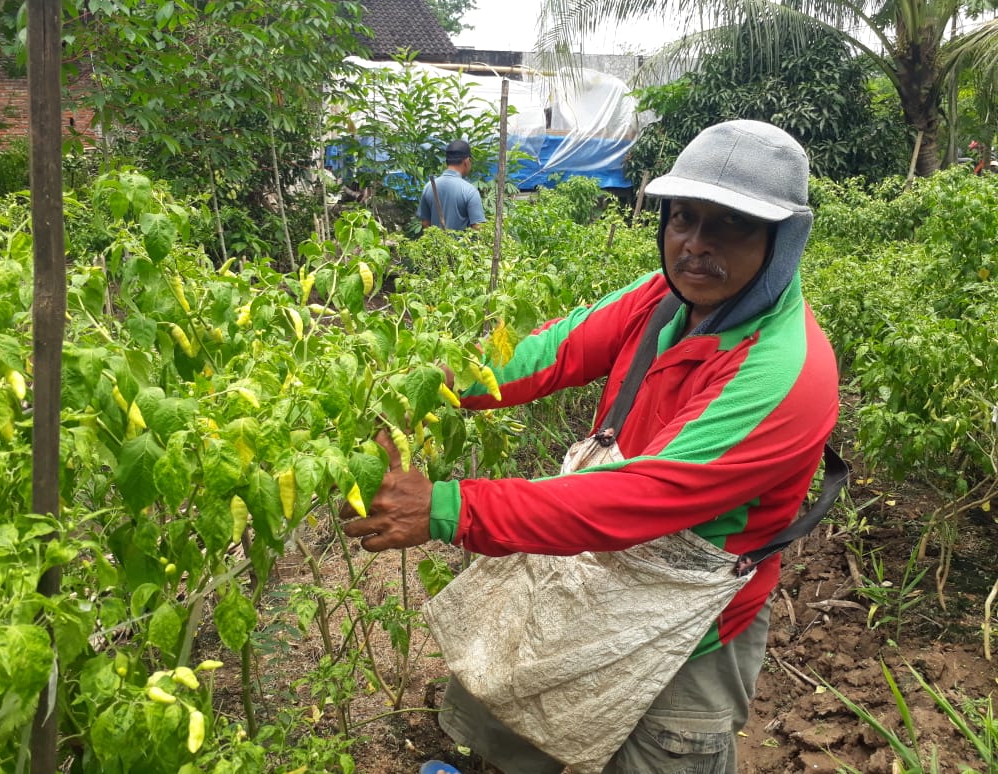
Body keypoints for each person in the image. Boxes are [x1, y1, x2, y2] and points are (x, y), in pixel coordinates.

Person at [343, 120, 840, 773]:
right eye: (683, 218)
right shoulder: (663, 297)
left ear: (783, 241)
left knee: (659, 752)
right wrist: (435, 386)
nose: (694, 244)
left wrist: (447, 507)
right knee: (518, 718)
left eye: (731, 226)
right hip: (595, 557)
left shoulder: (786, 374)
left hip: (691, 616)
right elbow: (551, 349)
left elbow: (637, 498)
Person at [417, 139, 485, 231]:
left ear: (446, 162)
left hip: (435, 244)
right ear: (467, 161)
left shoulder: (429, 187)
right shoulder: (470, 191)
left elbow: (425, 224)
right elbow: (477, 227)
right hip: (461, 245)